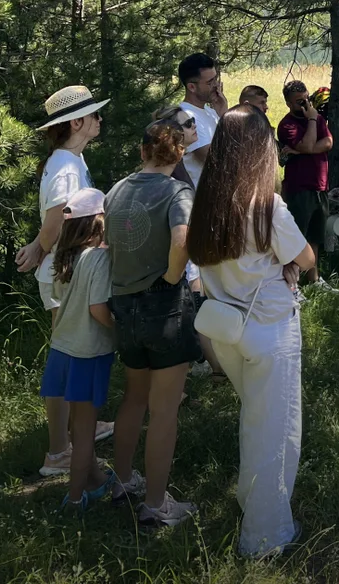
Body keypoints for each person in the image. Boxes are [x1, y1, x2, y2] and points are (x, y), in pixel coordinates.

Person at [188, 105, 317, 558]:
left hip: (225, 331)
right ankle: (265, 536)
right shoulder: (265, 205)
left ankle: (253, 500)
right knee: (275, 431)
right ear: (260, 151)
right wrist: (287, 262)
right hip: (269, 328)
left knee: (256, 420)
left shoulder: (206, 201)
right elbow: (306, 258)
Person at [106, 119, 202, 527]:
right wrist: (172, 276)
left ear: (142, 150)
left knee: (134, 397)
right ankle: (156, 505)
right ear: (179, 153)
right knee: (164, 410)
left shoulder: (116, 190)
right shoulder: (177, 191)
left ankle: (122, 480)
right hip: (163, 306)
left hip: (123, 304)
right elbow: (182, 240)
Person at [15, 85, 113, 476]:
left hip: (70, 270)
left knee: (72, 354)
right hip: (64, 274)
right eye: (94, 114)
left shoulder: (71, 159)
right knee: (65, 359)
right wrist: (39, 248)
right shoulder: (65, 166)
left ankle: (81, 426)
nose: (99, 119)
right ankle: (58, 452)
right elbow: (56, 216)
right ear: (76, 122)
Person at [40, 188, 116, 511]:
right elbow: (98, 309)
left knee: (78, 424)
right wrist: (119, 329)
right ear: (97, 223)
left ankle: (96, 480)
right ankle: (74, 500)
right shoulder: (98, 259)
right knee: (84, 432)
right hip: (88, 353)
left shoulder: (63, 258)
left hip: (62, 350)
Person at [152, 105, 223, 376]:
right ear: (174, 134)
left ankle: (208, 361)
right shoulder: (171, 170)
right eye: (188, 123)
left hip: (191, 243)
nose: (195, 126)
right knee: (194, 301)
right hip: (180, 249)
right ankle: (206, 363)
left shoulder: (179, 163)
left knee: (198, 300)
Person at [277, 81, 336, 293]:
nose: (305, 104)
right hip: (299, 188)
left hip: (320, 186)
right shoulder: (287, 125)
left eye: (307, 99)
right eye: (299, 101)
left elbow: (328, 142)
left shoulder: (317, 119)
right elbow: (309, 144)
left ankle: (314, 278)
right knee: (297, 237)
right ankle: (293, 284)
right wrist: (311, 120)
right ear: (288, 103)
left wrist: (302, 150)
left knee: (314, 237)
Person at [178, 52, 228, 188]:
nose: (216, 86)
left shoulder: (211, 111)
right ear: (192, 87)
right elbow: (214, 160)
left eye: (215, 79)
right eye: (210, 82)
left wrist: (224, 114)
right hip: (200, 196)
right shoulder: (186, 116)